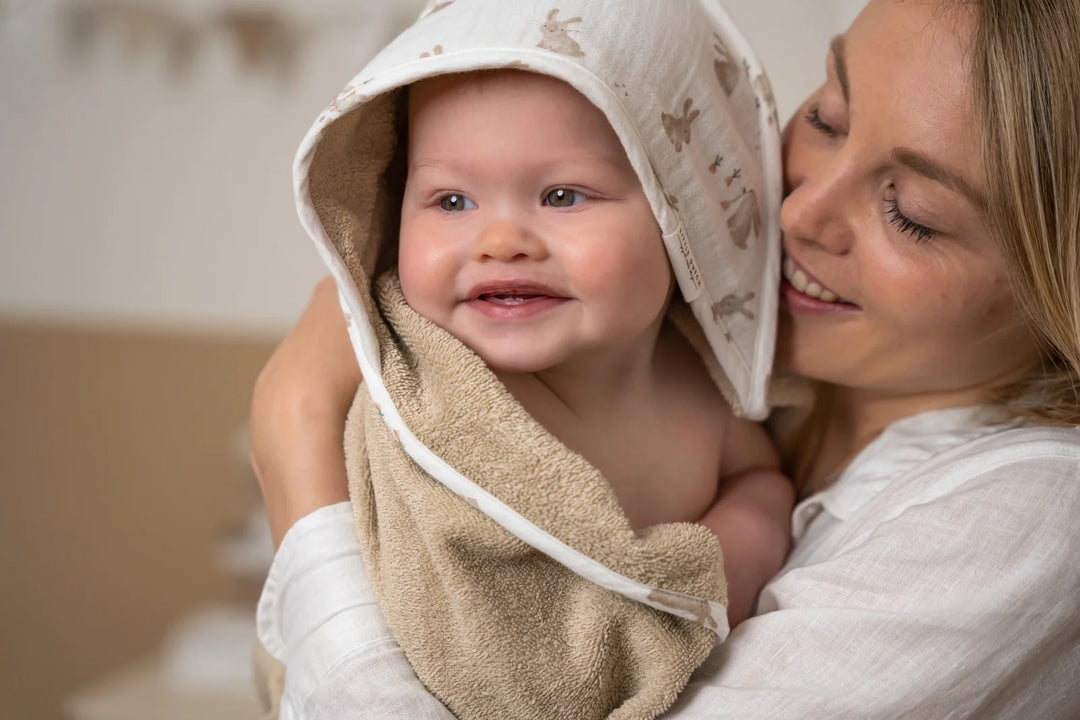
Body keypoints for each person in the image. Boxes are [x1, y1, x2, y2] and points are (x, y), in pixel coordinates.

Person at [252, 0, 1080, 717]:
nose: (797, 213)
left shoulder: (1036, 517)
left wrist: (294, 435)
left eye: (913, 214)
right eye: (828, 116)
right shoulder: (762, 380)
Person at [253, 2, 796, 718]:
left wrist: (722, 559)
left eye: (562, 195)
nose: (501, 239)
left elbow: (762, 477)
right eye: (451, 200)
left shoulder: (694, 392)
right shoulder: (397, 356)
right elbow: (297, 427)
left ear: (678, 221)